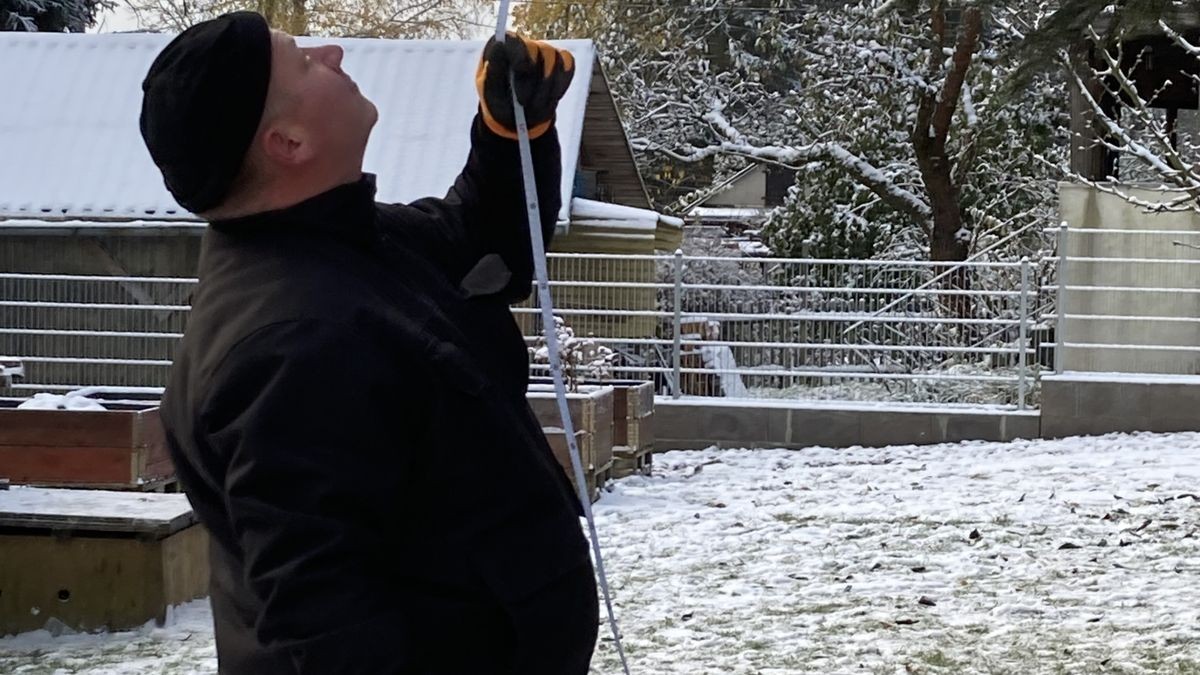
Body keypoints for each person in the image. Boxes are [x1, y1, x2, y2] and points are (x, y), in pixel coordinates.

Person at [139, 11, 597, 674]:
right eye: (301, 61)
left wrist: (509, 130)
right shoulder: (287, 348)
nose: (331, 51)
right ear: (288, 142)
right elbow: (330, 629)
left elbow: (483, 249)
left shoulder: (345, 243)